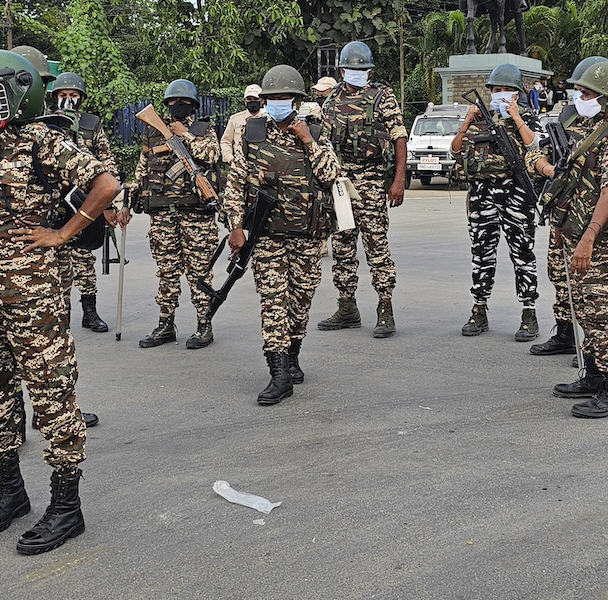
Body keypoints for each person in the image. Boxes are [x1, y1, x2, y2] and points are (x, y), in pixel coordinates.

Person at [0, 49, 119, 553]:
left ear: (18, 95)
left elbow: (106, 184)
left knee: (52, 399)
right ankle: (10, 494)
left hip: (31, 300)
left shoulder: (44, 139)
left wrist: (64, 232)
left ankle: (67, 508)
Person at [530, 61, 608, 418]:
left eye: (586, 92)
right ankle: (596, 376)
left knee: (603, 311)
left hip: (605, 239)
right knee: (583, 307)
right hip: (578, 232)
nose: (579, 97)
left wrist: (589, 238)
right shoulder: (587, 128)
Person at [221, 65, 340, 405]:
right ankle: (279, 373)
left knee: (300, 302)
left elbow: (331, 174)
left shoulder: (316, 131)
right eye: (271, 98)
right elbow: (236, 184)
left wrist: (306, 140)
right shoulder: (251, 132)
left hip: (307, 232)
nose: (276, 102)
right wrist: (236, 226)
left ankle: (293, 355)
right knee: (273, 301)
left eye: (283, 97)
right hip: (267, 234)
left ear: (297, 100)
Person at [317, 41, 407, 338]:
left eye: (363, 70)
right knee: (343, 245)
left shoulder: (382, 96)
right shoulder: (330, 100)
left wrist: (398, 180)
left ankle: (385, 307)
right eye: (354, 70)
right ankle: (347, 306)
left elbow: (398, 138)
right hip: (340, 182)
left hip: (370, 179)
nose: (359, 74)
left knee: (376, 245)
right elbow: (322, 143)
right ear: (342, 70)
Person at [450, 63, 542, 341]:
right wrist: (467, 121)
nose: (501, 94)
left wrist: (517, 118)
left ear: (517, 94)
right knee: (481, 254)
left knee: (522, 253)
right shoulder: (479, 118)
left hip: (515, 194)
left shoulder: (527, 117)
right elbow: (456, 151)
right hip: (482, 194)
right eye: (497, 90)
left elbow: (535, 147)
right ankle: (479, 309)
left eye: (507, 91)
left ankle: (529, 313)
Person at [127, 79, 221, 349]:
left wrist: (185, 136)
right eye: (172, 101)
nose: (178, 105)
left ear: (193, 105)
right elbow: (142, 168)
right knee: (166, 272)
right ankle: (165, 324)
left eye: (184, 102)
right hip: (164, 215)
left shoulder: (204, 129)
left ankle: (204, 325)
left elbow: (212, 156)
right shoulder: (153, 131)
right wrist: (126, 203)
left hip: (196, 216)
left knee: (199, 273)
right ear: (166, 104)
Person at [528, 56, 608, 358]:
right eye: (577, 91)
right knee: (559, 272)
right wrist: (548, 169)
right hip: (563, 211)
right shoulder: (568, 118)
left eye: (584, 91)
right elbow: (538, 154)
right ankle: (564, 332)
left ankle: (592, 346)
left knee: (591, 287)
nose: (578, 97)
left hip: (591, 216)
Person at [51, 71, 118, 337]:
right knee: (56, 258)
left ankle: (89, 310)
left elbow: (107, 159)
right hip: (57, 199)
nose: (68, 100)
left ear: (81, 98)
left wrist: (109, 202)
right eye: (63, 95)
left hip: (87, 197)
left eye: (73, 95)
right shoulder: (47, 123)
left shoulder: (92, 124)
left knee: (83, 257)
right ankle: (60, 311)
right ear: (55, 97)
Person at [220, 84, 266, 166]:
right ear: (245, 101)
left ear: (262, 100)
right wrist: (230, 158)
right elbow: (226, 141)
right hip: (240, 164)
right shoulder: (235, 119)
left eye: (256, 99)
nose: (252, 101)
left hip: (263, 165)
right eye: (249, 99)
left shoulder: (268, 119)